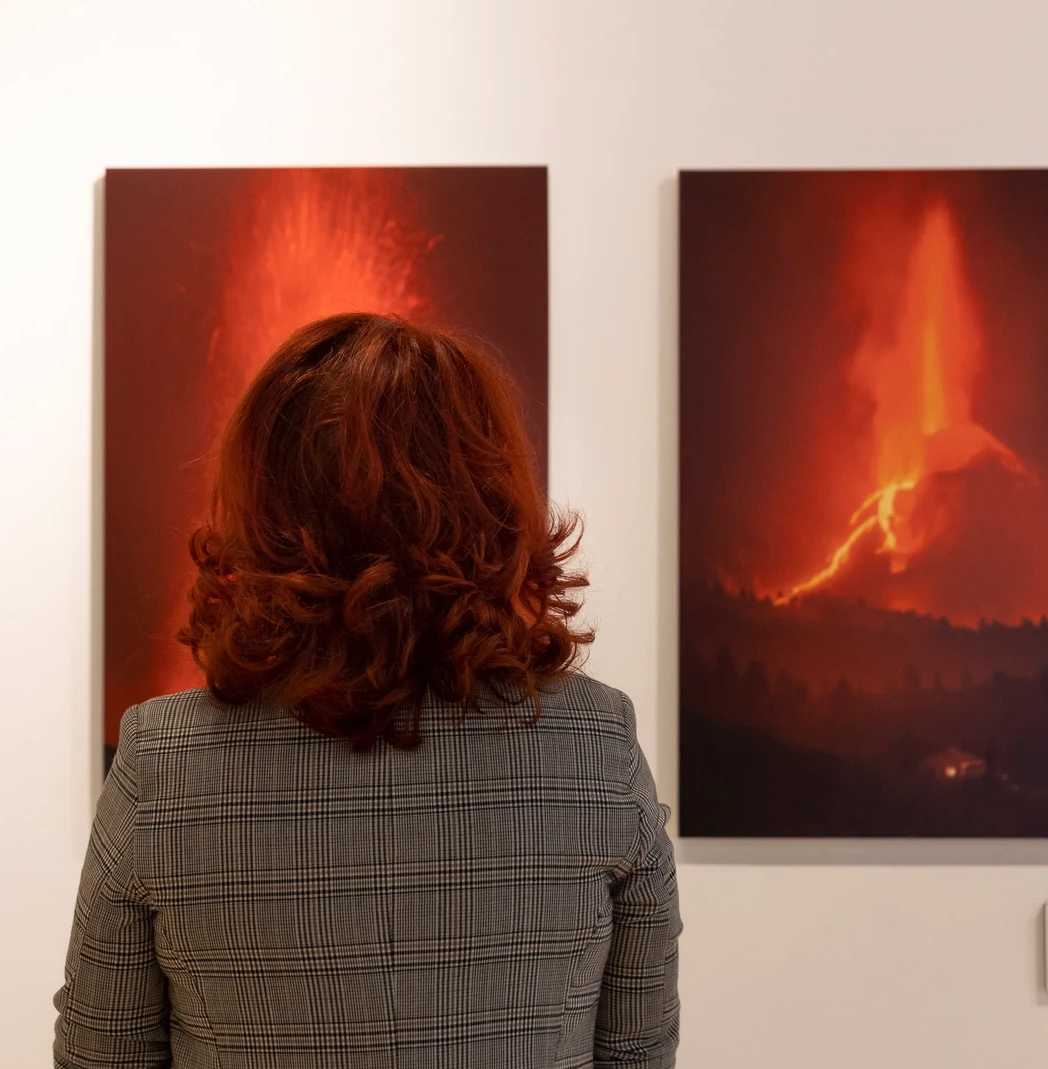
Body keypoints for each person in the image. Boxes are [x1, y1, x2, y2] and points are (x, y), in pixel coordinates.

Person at [55, 313, 681, 1067]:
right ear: (493, 494)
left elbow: (100, 1054)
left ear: (264, 502)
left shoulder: (163, 762)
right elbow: (640, 1053)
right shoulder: (596, 744)